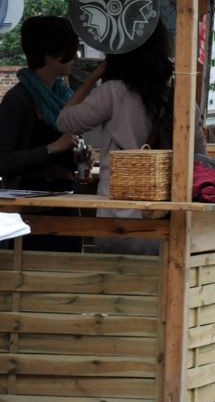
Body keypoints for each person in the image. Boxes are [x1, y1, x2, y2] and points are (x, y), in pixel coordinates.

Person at [57, 21, 206, 255]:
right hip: (167, 216)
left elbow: (65, 120)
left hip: (116, 215)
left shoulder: (113, 92)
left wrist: (94, 74)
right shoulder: (180, 97)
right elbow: (199, 154)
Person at [0, 16, 82, 252]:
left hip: (64, 206)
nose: (75, 57)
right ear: (50, 54)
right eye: (70, 50)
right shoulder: (18, 99)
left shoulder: (63, 97)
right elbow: (3, 162)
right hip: (30, 216)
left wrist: (77, 156)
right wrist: (53, 147)